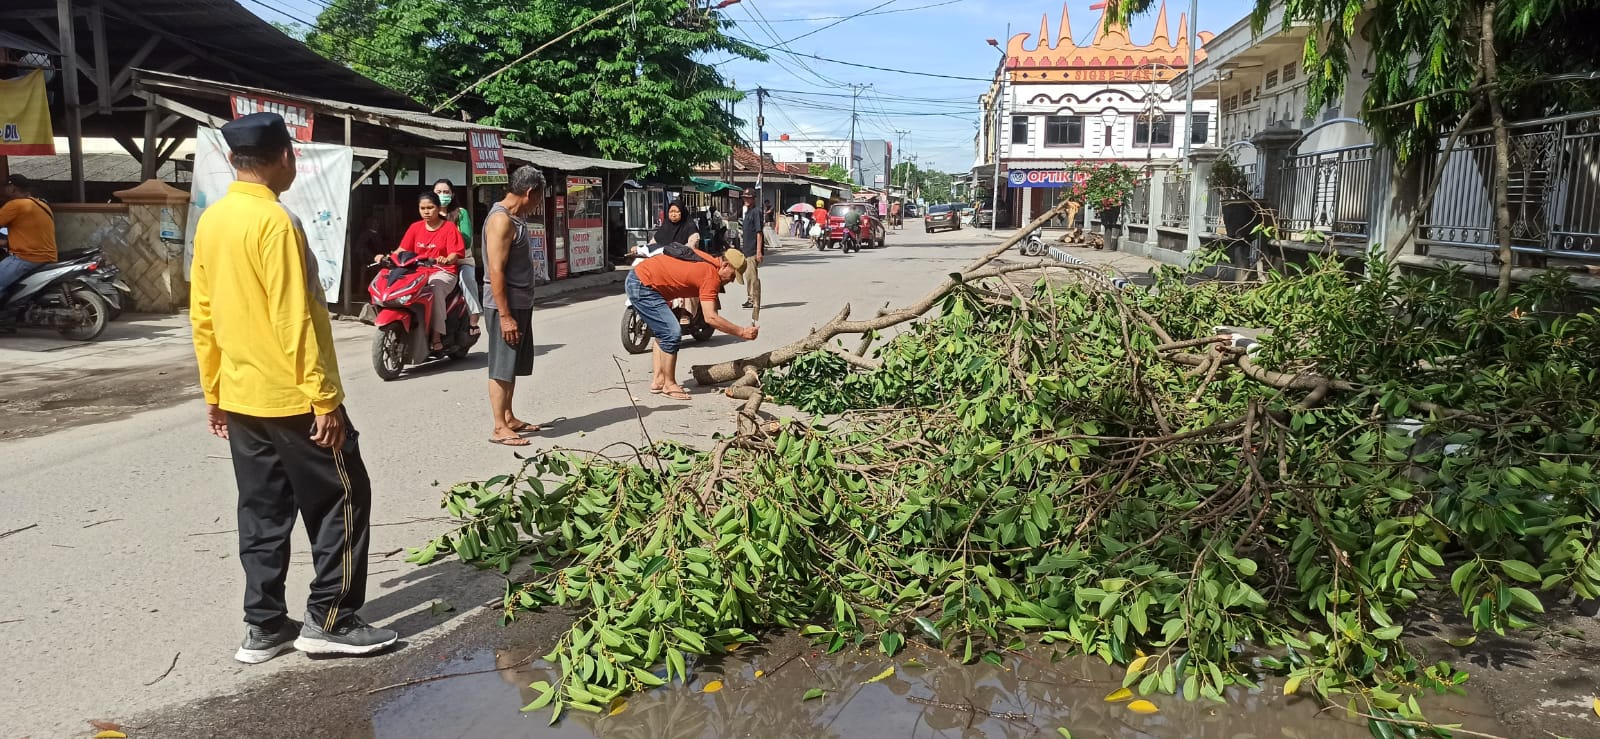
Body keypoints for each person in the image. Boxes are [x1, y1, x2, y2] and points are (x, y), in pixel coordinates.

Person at [189, 112, 396, 664]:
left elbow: (202, 314)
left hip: (241, 395)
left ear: (233, 160)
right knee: (343, 498)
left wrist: (214, 391)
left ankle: (264, 624)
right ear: (284, 157)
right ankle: (332, 619)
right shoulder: (275, 222)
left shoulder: (213, 221)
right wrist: (324, 399)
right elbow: (293, 318)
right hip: (292, 397)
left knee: (263, 510)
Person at [626, 246, 758, 400]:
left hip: (640, 279)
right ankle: (669, 384)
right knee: (672, 332)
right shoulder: (711, 276)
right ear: (725, 265)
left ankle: (659, 380)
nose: (732, 280)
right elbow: (711, 318)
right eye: (733, 275)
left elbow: (688, 250)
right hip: (643, 285)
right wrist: (742, 332)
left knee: (664, 332)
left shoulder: (708, 260)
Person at [482, 165, 546, 446]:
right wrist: (505, 315)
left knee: (512, 364)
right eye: (539, 198)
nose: (537, 204)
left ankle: (508, 417)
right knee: (501, 365)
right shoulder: (501, 220)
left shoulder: (515, 218)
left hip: (520, 301)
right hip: (504, 305)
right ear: (530, 192)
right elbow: (496, 271)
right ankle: (499, 427)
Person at [386, 192, 466, 352]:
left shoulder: (449, 228)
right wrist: (388, 256)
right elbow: (402, 250)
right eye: (422, 208)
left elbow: (454, 254)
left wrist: (446, 259)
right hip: (418, 272)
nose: (426, 211)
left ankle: (436, 336)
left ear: (438, 208)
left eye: (430, 207)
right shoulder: (415, 227)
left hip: (443, 272)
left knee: (434, 290)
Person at [432, 179, 483, 338]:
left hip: (461, 261)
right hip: (436, 263)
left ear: (452, 195)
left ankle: (473, 320)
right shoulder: (430, 213)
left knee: (466, 280)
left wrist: (447, 236)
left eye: (446, 192)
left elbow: (466, 240)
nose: (442, 195)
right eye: (438, 192)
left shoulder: (460, 213)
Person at [0, 174, 57, 295]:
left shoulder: (15, 205)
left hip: (26, 258)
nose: (3, 189)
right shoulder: (41, 204)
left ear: (13, 188)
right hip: (47, 257)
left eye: (5, 187)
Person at [737, 190, 764, 310]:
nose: (746, 200)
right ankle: (750, 298)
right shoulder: (747, 212)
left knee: (752, 277)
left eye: (749, 198)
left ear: (754, 199)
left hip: (753, 250)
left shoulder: (756, 212)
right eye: (745, 198)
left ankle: (754, 300)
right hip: (747, 250)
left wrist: (758, 251)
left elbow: (759, 233)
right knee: (748, 276)